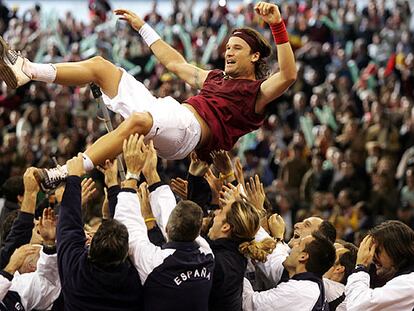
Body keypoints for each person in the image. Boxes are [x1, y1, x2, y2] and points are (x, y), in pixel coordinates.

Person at [0, 2, 296, 191]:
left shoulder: (255, 93)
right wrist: (143, 28)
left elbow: (287, 76)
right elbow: (175, 63)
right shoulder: (215, 78)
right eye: (228, 47)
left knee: (140, 121)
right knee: (101, 67)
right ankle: (27, 70)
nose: (228, 52)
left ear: (255, 56)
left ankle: (62, 172)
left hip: (187, 133)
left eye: (237, 48)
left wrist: (277, 25)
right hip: (169, 112)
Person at [114, 134, 214, 311]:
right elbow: (173, 216)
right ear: (199, 232)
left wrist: (132, 173)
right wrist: (151, 173)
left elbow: (129, 227)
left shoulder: (156, 264)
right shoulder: (206, 256)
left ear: (167, 228)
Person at [56, 154, 144, 310]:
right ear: (126, 253)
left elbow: (68, 225)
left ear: (90, 245)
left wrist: (74, 179)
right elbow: (68, 224)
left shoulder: (76, 271)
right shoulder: (136, 281)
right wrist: (112, 186)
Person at [243, 232, 336, 311]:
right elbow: (275, 258)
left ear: (303, 256)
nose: (293, 246)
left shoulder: (299, 291)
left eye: (299, 244)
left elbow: (249, 303)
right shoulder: (310, 285)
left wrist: (236, 268)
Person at [345, 221, 414, 311]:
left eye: (376, 250)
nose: (372, 257)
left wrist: (361, 266)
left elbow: (358, 306)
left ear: (396, 250)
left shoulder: (409, 282)